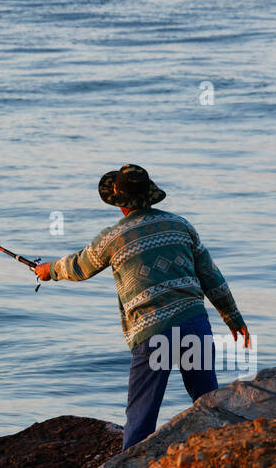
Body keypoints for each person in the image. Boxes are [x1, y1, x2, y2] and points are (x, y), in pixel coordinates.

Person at [35, 164, 251, 449]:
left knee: (141, 415)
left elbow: (79, 266)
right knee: (207, 401)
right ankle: (223, 452)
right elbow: (212, 277)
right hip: (194, 323)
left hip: (153, 333)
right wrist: (233, 319)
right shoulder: (181, 225)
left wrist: (50, 270)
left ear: (119, 202)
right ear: (149, 195)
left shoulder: (114, 237)